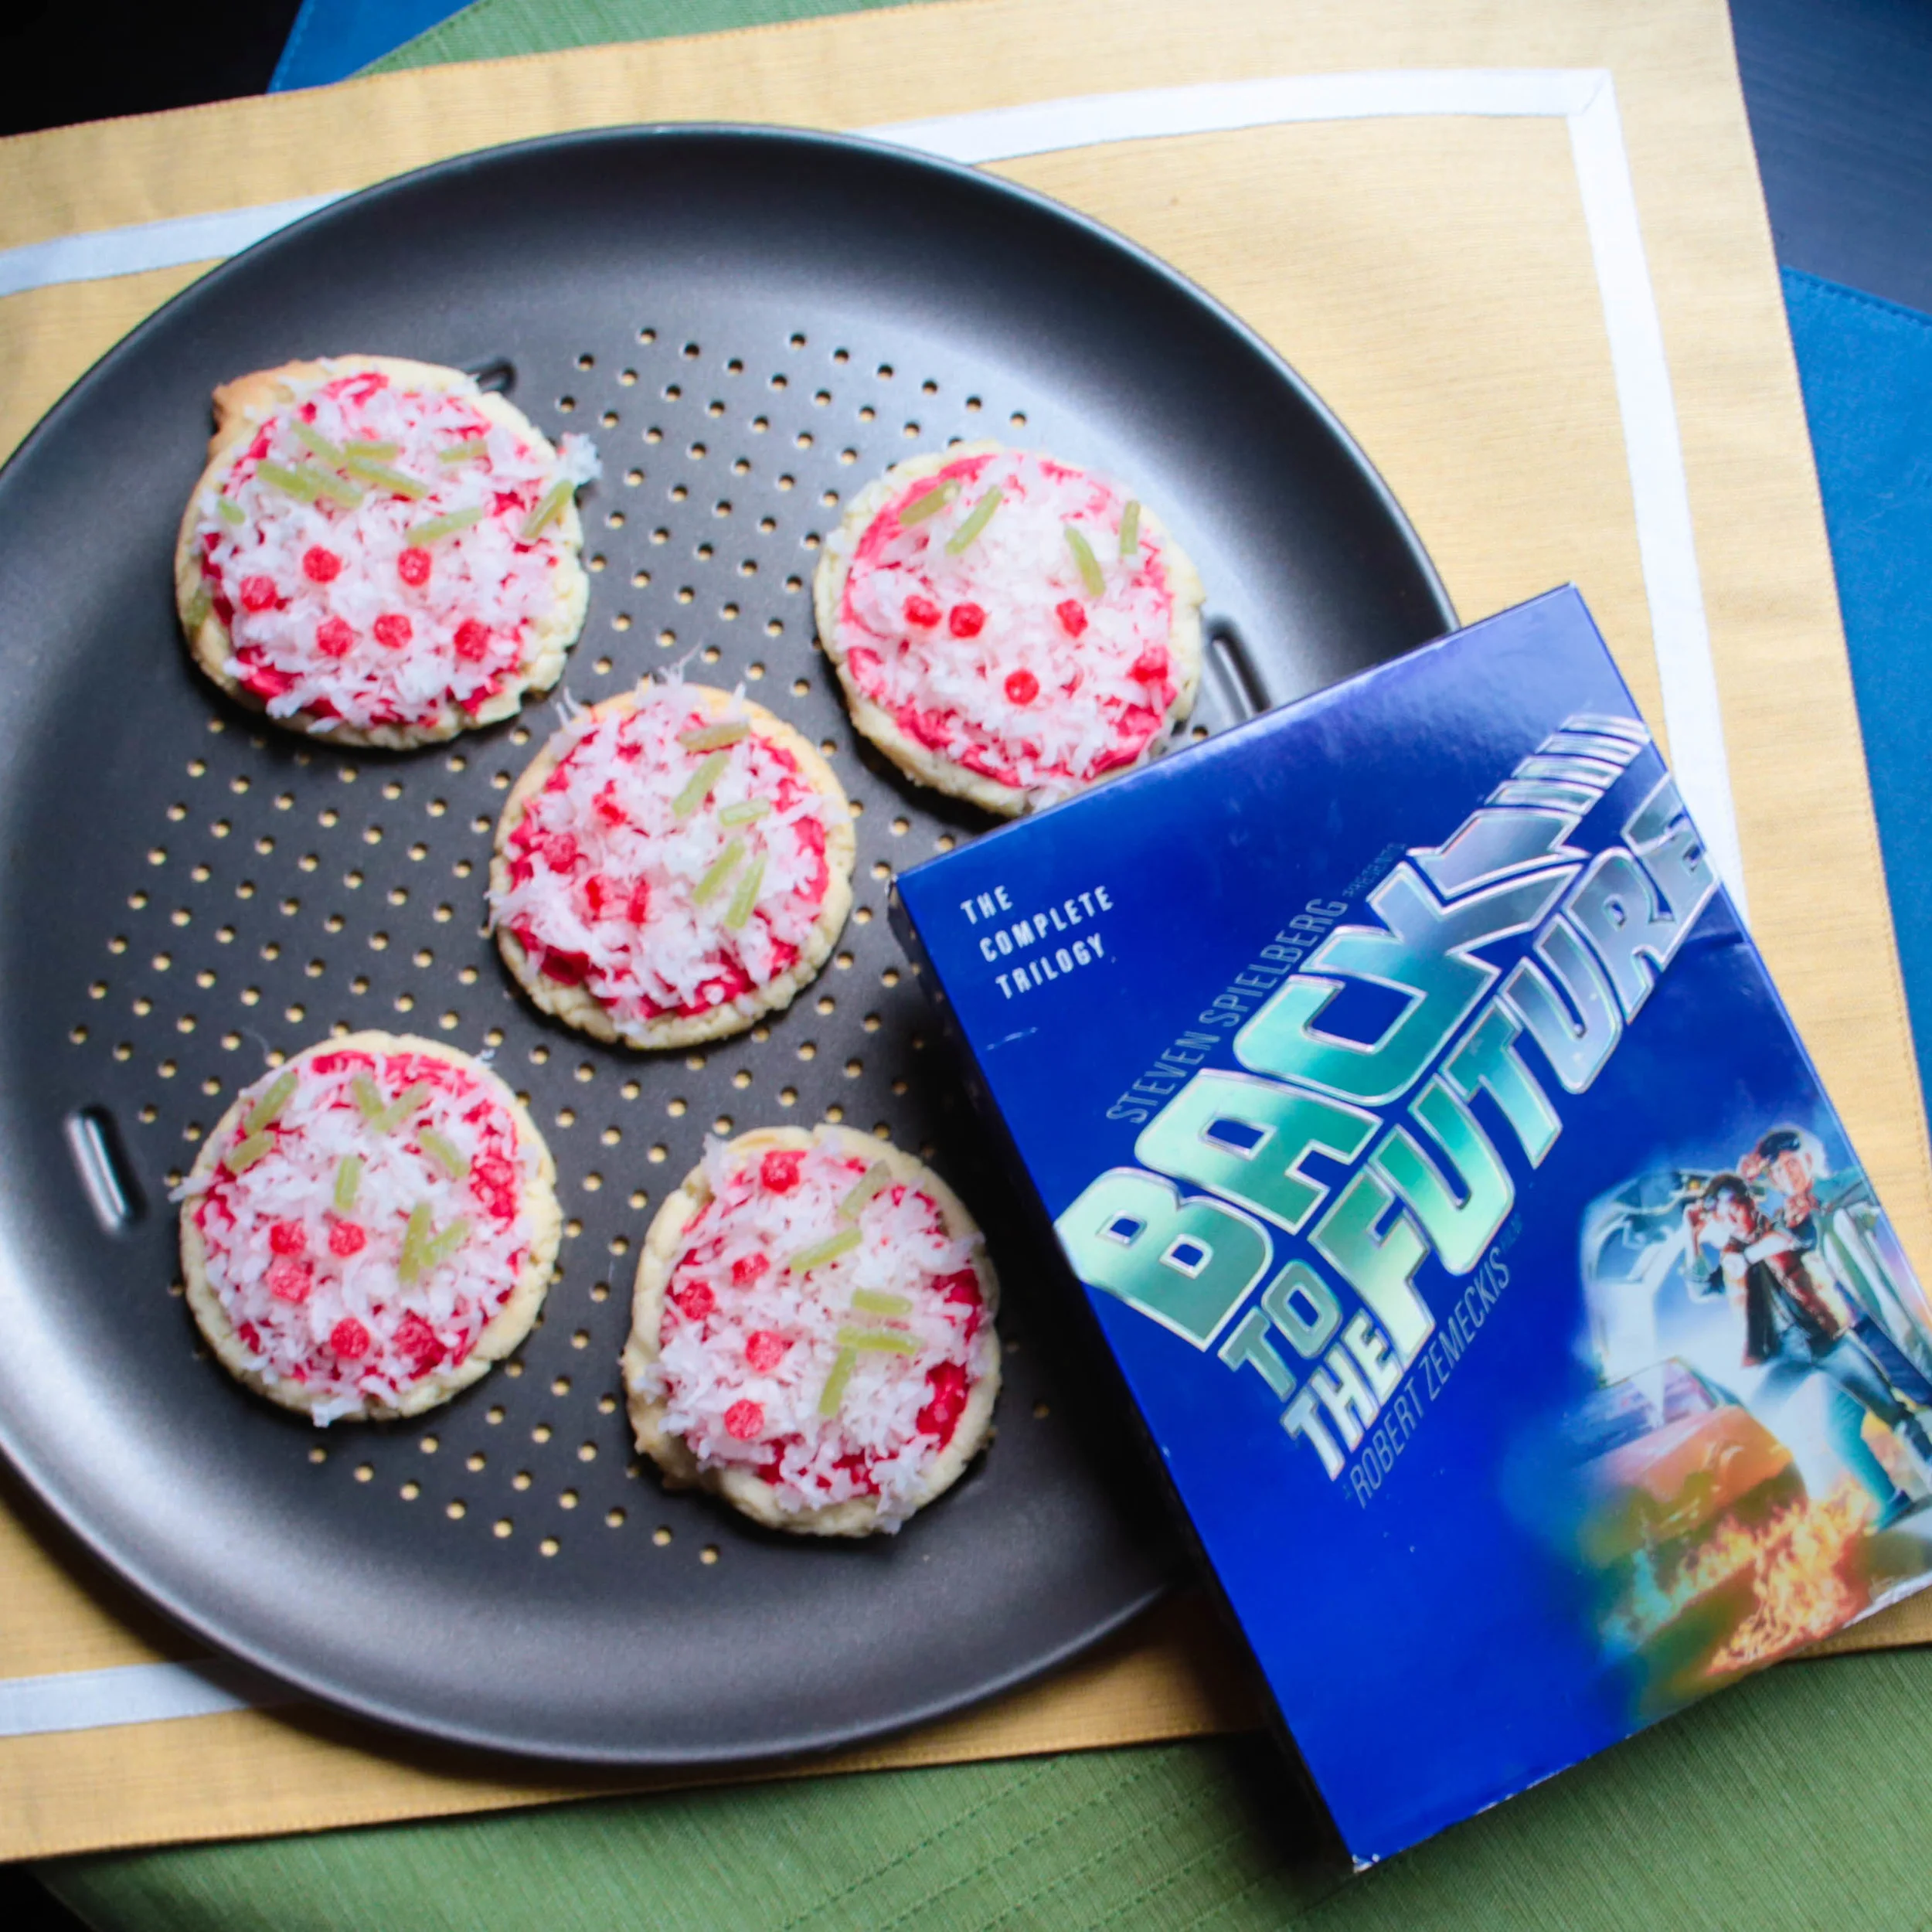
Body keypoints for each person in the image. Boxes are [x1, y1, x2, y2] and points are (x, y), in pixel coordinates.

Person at [1686, 1173, 1927, 1524]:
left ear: (1749, 1201)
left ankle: (1894, 1499)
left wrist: (1749, 1255)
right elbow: (1699, 1290)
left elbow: (1793, 1238)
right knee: (1763, 1416)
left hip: (1829, 1341)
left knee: (1885, 1414)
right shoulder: (1730, 1262)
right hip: (1784, 1359)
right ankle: (1888, 1500)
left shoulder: (1784, 1221)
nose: (1730, 1221)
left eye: (1733, 1209)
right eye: (1721, 1217)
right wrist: (1690, 1236)